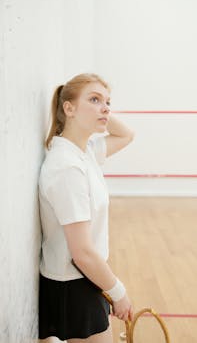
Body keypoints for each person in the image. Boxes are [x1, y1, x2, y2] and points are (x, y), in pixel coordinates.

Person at [38, 73, 135, 343]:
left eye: (108, 102)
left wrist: (98, 109)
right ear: (68, 108)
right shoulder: (67, 167)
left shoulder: (84, 151)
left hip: (87, 279)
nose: (106, 107)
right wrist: (119, 292)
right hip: (74, 286)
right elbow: (81, 252)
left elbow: (127, 134)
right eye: (94, 99)